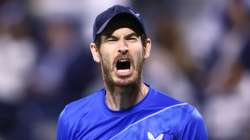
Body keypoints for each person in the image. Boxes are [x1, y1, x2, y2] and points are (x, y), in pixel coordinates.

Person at [57, 5, 208, 140]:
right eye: (112, 39)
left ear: (146, 48)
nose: (123, 47)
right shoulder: (73, 118)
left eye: (131, 38)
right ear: (96, 52)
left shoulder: (184, 118)